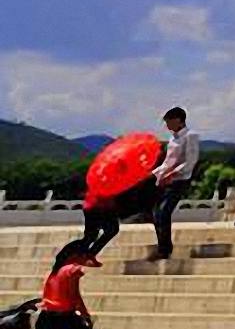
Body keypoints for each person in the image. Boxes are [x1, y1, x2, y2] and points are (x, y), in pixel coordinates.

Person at [147, 107, 200, 262]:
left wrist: (171, 174)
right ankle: (162, 246)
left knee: (164, 212)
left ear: (178, 120)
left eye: (169, 121)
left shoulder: (191, 136)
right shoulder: (172, 139)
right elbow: (167, 163)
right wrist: (154, 174)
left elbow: (190, 161)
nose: (167, 125)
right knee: (156, 213)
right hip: (164, 180)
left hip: (179, 180)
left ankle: (165, 250)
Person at [80, 177, 159, 261]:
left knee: (107, 231)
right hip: (98, 207)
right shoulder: (108, 181)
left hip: (99, 207)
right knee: (98, 233)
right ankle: (85, 255)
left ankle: (88, 254)